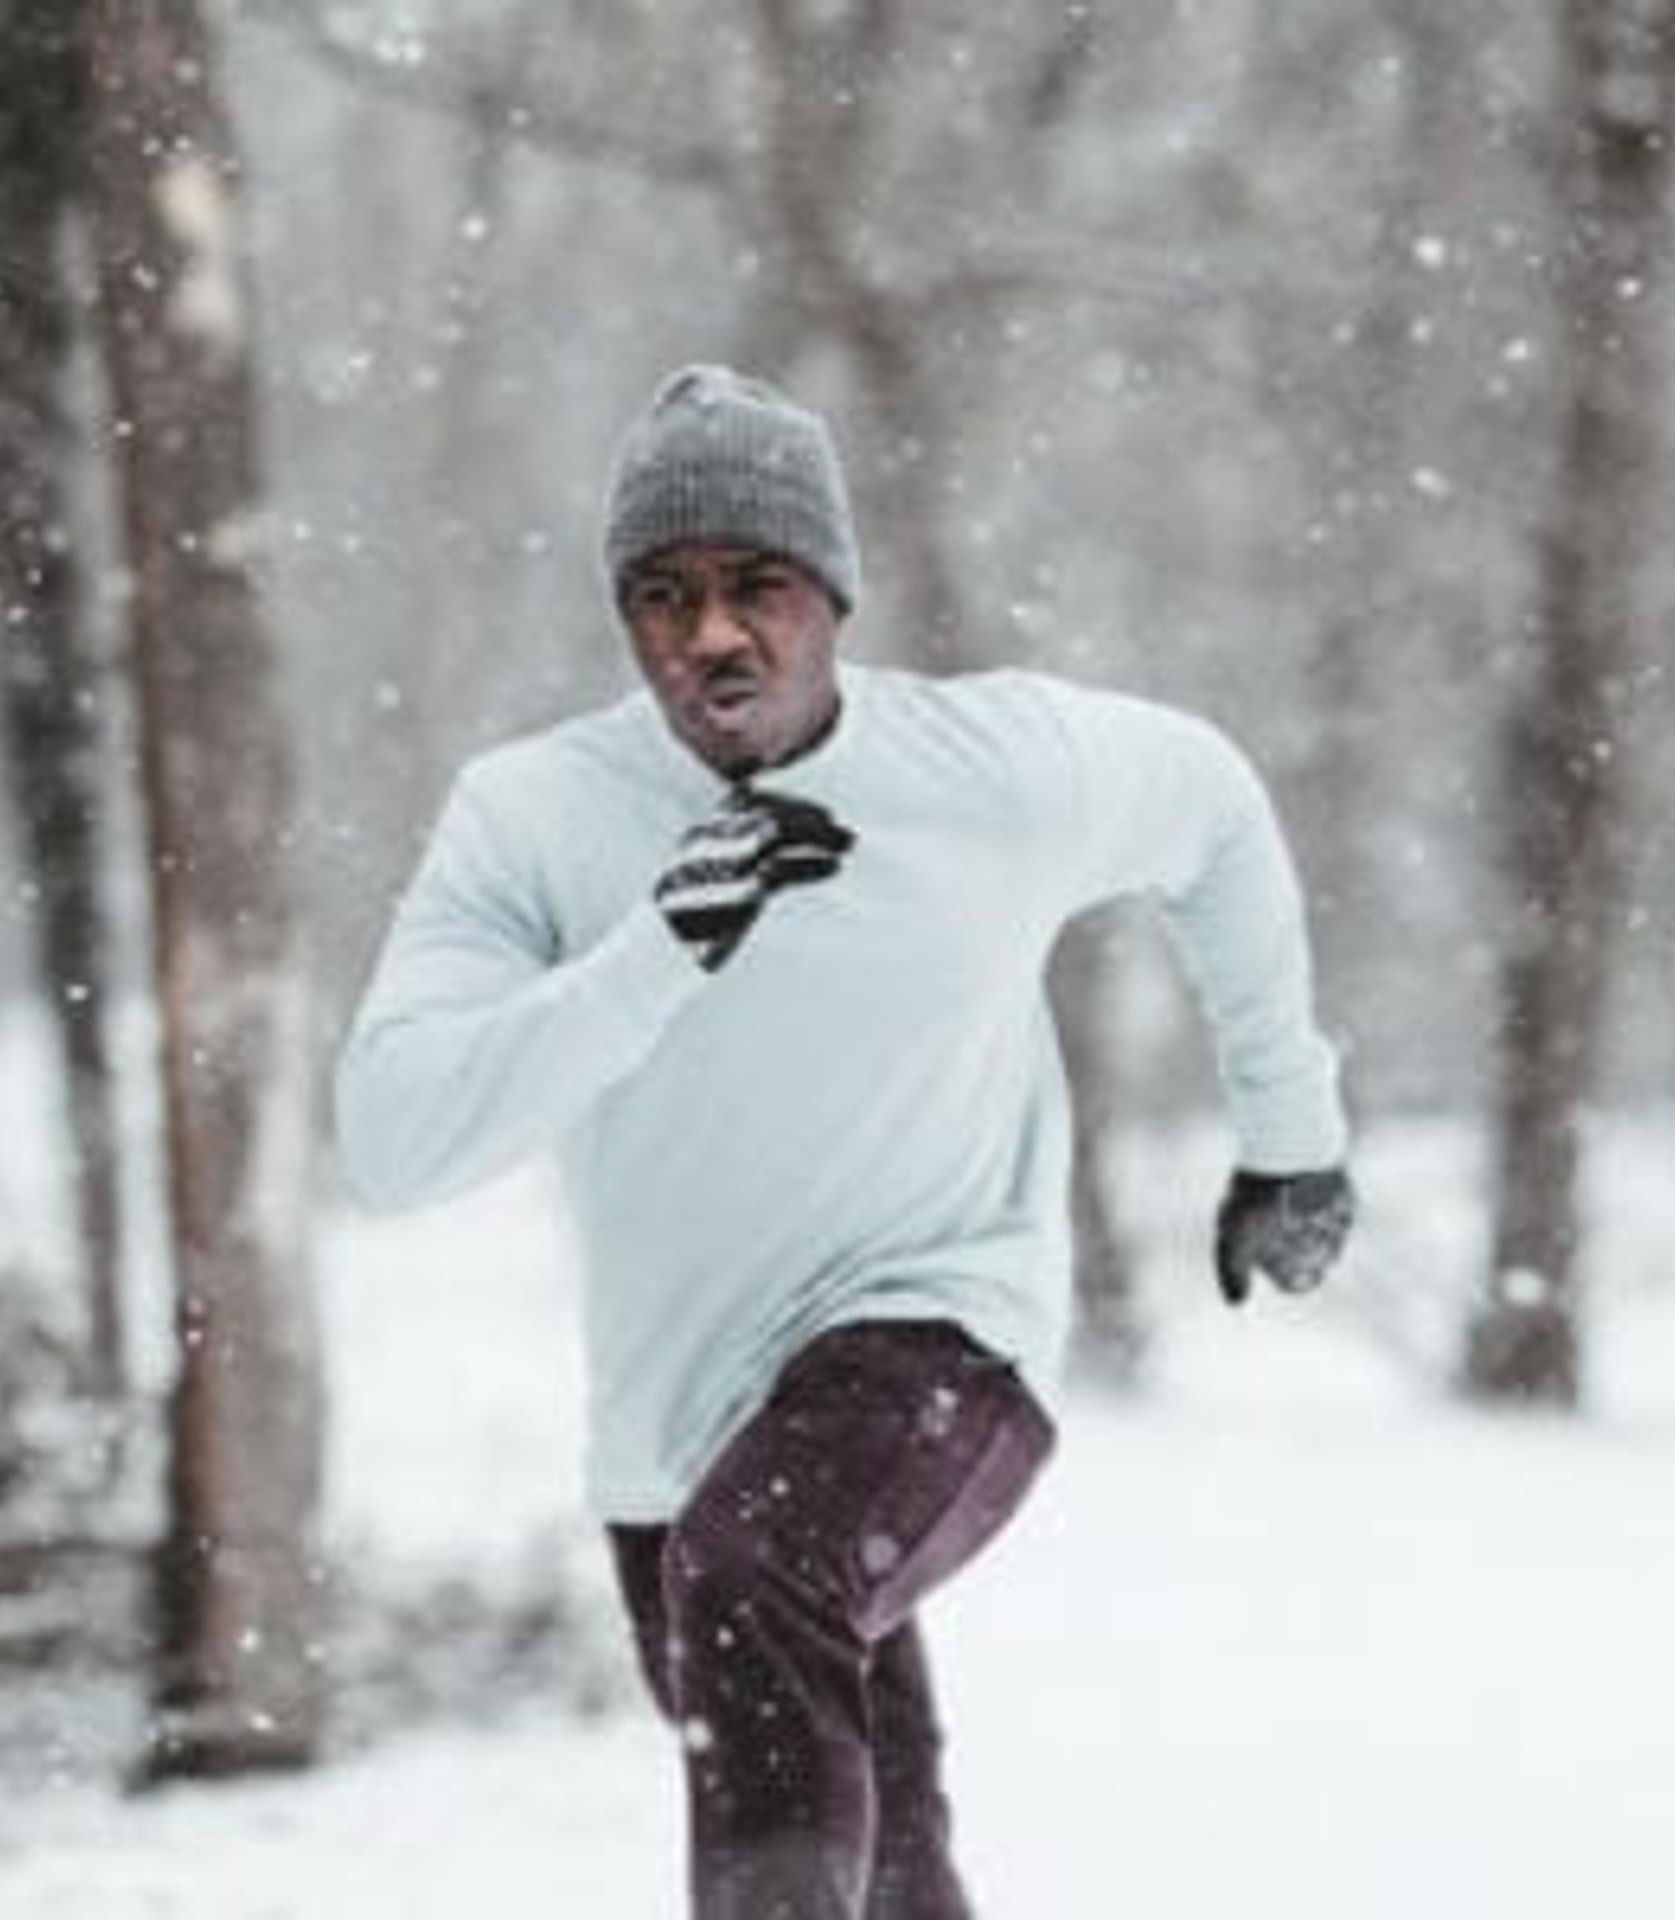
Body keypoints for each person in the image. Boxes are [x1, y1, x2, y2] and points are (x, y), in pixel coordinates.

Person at [334, 364, 1356, 1918]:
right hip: (671, 1445)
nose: (713, 636)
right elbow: (396, 1137)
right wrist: (651, 956)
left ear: (835, 598)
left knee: (763, 1577)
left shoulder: (990, 771)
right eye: (663, 596)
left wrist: (1291, 1133)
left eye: (760, 587)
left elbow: (1213, 806)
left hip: (945, 1342)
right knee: (870, 1850)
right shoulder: (536, 816)